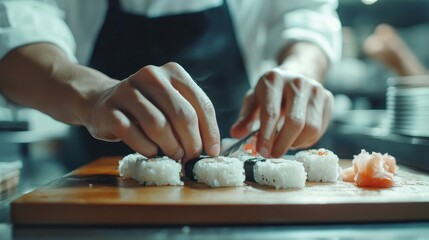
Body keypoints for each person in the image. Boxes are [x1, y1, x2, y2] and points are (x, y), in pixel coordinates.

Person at [0, 0, 341, 164]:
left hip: (237, 169)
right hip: (92, 179)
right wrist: (96, 95)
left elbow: (307, 13)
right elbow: (17, 22)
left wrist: (300, 68)